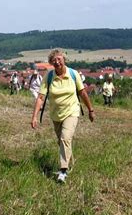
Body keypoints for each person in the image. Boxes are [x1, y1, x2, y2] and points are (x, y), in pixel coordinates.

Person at [31, 49, 95, 183]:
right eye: (54, 60)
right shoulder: (49, 76)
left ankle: (63, 171)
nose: (57, 62)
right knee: (62, 141)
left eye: (59, 59)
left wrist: (90, 110)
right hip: (56, 115)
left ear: (64, 60)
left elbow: (82, 93)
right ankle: (69, 162)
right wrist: (34, 117)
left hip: (72, 111)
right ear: (51, 63)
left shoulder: (73, 74)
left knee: (65, 138)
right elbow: (41, 97)